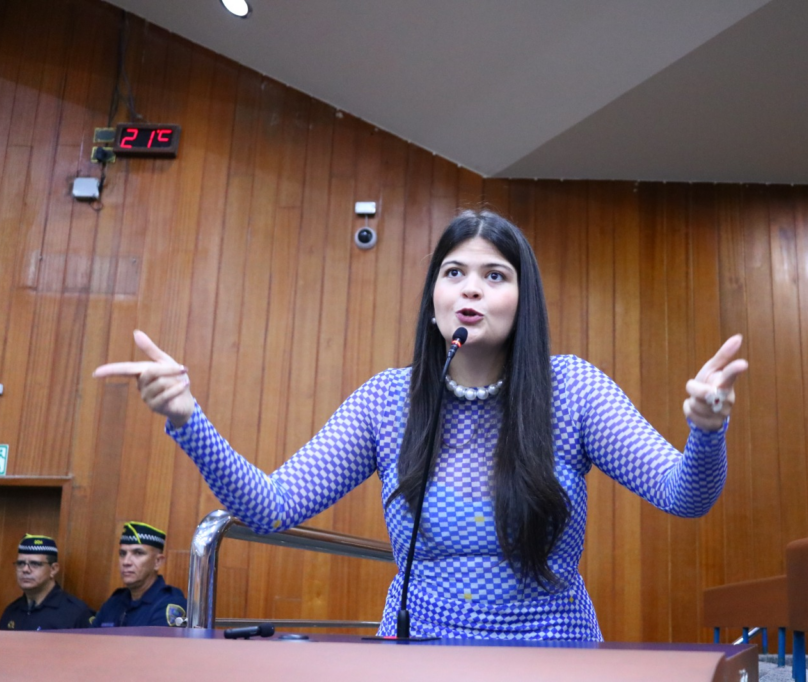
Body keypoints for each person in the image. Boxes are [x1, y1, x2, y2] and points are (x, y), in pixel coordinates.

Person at [94, 210, 747, 640]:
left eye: (495, 275)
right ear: (434, 297)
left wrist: (706, 431)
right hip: (418, 651)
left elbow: (684, 497)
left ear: (523, 300)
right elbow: (272, 506)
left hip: (553, 651)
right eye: (454, 272)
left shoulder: (571, 389)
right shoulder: (389, 400)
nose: (471, 289)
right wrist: (188, 419)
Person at [92, 522, 187, 627]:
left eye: (138, 553)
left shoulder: (170, 606)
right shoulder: (114, 602)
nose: (126, 562)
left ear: (157, 562)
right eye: (123, 554)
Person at [0, 534, 93, 630]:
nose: (25, 569)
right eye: (21, 563)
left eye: (35, 564)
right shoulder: (12, 612)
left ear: (53, 569)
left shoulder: (75, 613)